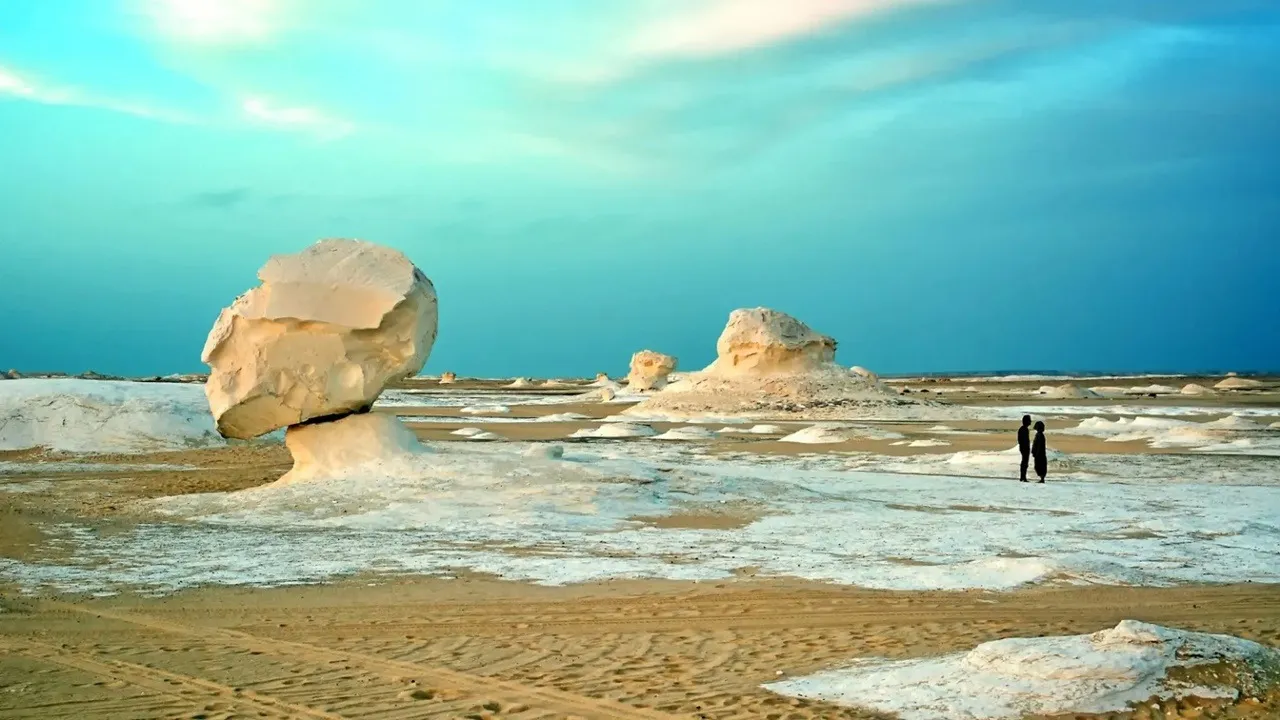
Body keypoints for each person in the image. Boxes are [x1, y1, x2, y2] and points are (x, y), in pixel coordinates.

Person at [1017, 415, 1032, 482]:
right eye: (1029, 420)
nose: (1030, 421)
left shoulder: (1023, 429)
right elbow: (1022, 440)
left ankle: (1023, 476)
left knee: (1024, 462)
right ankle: (1023, 477)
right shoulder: (1024, 429)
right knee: (1024, 463)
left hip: (1024, 448)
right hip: (1024, 448)